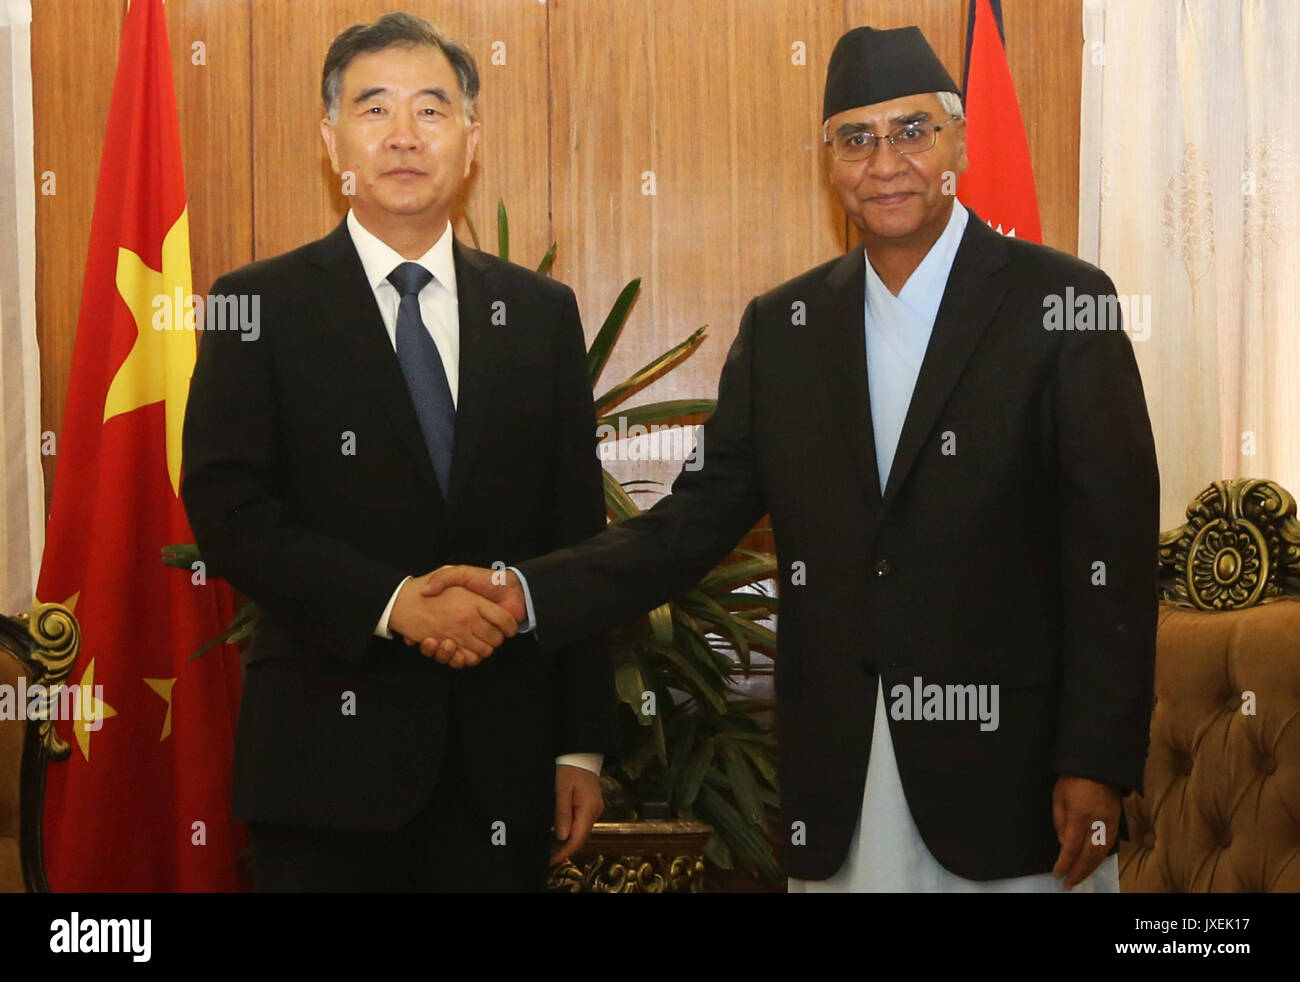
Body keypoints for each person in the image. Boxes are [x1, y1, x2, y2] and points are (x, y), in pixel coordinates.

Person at [420, 25, 1160, 892]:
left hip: (1016, 779)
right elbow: (689, 527)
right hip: (839, 781)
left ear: (958, 139)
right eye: (857, 138)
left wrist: (1097, 758)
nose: (885, 162)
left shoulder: (1063, 303)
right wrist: (524, 589)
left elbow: (1111, 550)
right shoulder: (786, 328)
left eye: (911, 131)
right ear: (830, 162)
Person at [180, 12, 615, 892]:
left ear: (471, 138)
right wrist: (393, 605)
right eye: (374, 109)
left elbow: (576, 534)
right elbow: (229, 511)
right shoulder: (254, 303)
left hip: (501, 763)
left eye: (432, 108)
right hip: (322, 767)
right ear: (330, 138)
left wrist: (580, 741)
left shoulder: (539, 314)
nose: (405, 135)